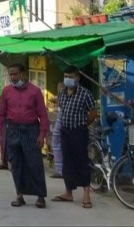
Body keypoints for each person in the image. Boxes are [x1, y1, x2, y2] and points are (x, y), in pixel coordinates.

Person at [0, 63, 50, 209]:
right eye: (11, 74)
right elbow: (0, 114)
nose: (13, 77)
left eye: (15, 74)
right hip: (12, 130)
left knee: (35, 163)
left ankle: (40, 196)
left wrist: (42, 134)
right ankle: (19, 195)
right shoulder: (6, 91)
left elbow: (42, 114)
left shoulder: (35, 91)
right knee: (16, 164)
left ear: (23, 74)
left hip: (31, 129)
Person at [51, 66, 98, 209]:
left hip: (79, 132)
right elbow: (62, 110)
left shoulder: (85, 94)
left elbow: (93, 112)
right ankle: (68, 192)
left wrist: (84, 123)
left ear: (77, 78)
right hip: (65, 132)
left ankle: (86, 194)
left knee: (82, 161)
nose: (67, 79)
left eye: (70, 77)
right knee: (67, 162)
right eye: (66, 76)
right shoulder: (62, 93)